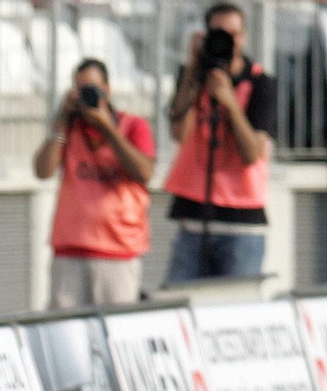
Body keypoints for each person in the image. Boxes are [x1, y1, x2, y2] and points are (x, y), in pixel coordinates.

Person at [163, 3, 277, 283]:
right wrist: (192, 68)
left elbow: (253, 153)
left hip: (241, 223)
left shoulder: (261, 82)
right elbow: (179, 132)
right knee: (182, 302)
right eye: (219, 33)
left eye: (234, 34)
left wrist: (231, 103)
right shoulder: (193, 77)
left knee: (235, 312)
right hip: (194, 216)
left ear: (245, 36)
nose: (228, 40)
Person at [34, 59, 155, 308]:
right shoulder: (69, 129)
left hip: (118, 253)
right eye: (80, 89)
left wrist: (108, 129)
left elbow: (144, 172)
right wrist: (62, 119)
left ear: (108, 90)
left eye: (93, 88)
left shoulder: (132, 126)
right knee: (65, 333)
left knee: (115, 333)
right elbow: (43, 170)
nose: (87, 95)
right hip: (70, 252)